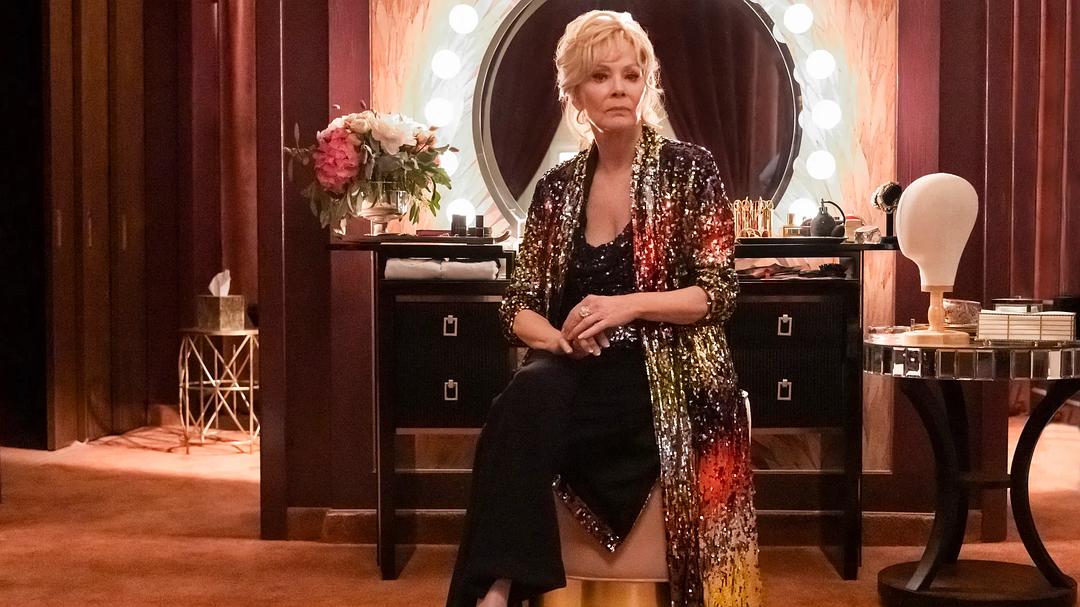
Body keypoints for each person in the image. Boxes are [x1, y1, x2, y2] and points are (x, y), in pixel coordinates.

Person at [447, 10, 761, 607]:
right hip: (576, 363)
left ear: (646, 85)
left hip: (667, 363)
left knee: (536, 406)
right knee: (522, 398)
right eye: (600, 76)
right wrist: (558, 339)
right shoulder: (558, 186)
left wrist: (625, 307)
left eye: (630, 75)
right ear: (575, 93)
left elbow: (716, 294)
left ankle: (496, 587)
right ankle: (496, 588)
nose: (618, 88)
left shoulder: (691, 170)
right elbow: (517, 306)